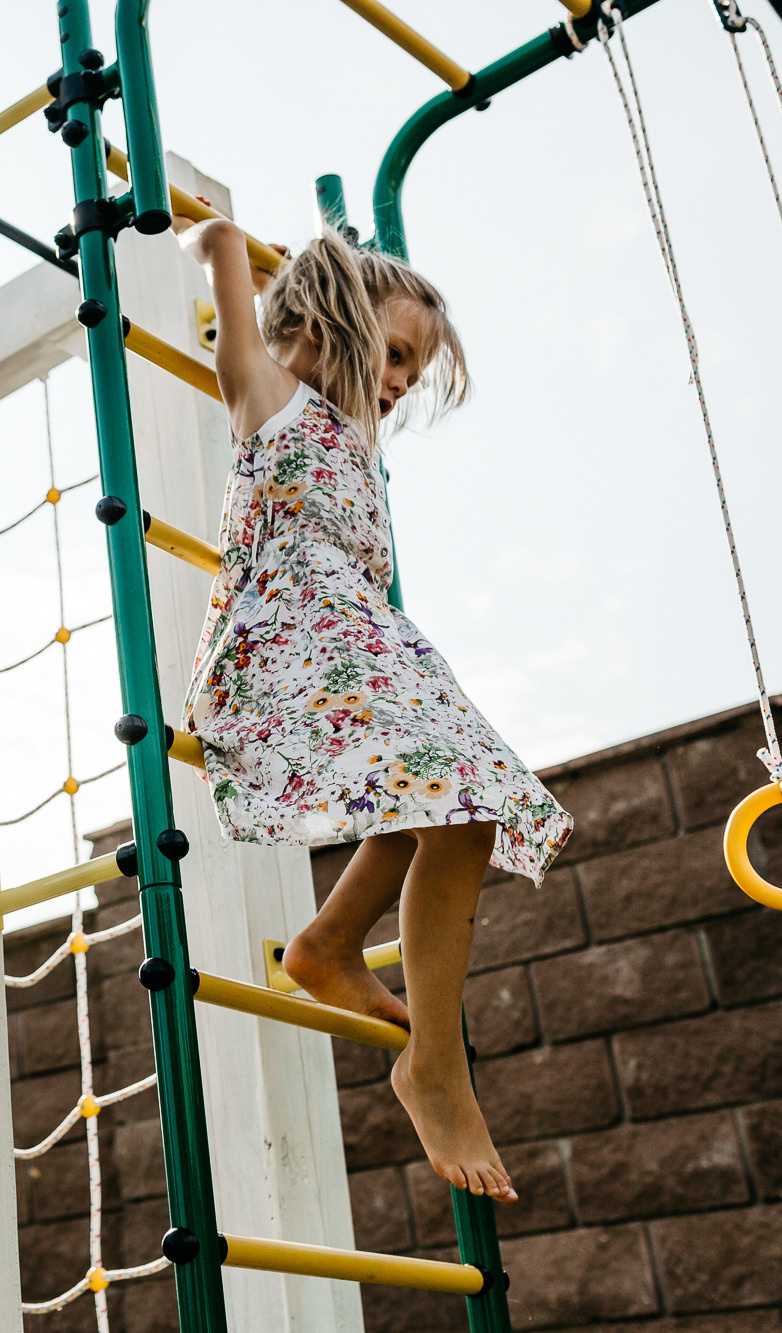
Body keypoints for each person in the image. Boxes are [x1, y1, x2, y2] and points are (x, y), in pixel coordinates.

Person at [173, 214, 571, 1204]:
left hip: (362, 648)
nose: (396, 383)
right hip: (293, 652)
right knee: (453, 788)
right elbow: (233, 341)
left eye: (411, 369)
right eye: (394, 355)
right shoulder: (271, 398)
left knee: (458, 802)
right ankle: (432, 1063)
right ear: (324, 318)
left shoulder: (354, 443)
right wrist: (223, 243)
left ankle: (330, 945)